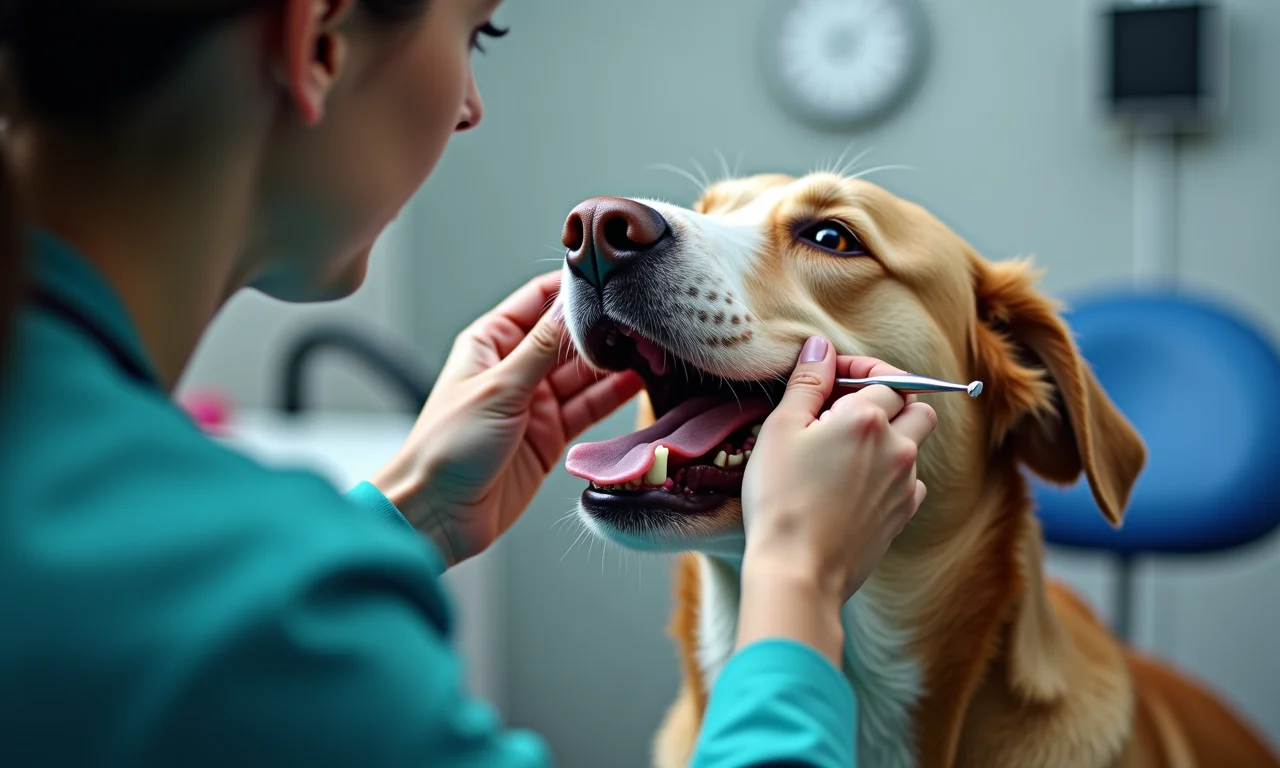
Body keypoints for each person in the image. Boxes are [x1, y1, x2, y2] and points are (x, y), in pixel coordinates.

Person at [0, 1, 938, 766]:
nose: (469, 107)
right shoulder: (261, 616)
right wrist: (799, 582)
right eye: (476, 34)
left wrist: (414, 512)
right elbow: (227, 640)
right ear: (319, 42)